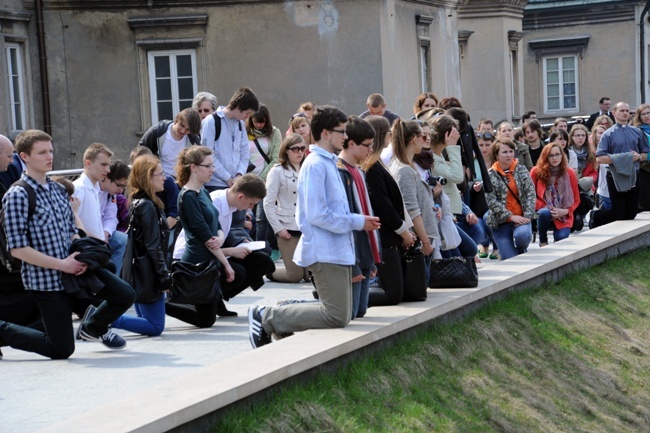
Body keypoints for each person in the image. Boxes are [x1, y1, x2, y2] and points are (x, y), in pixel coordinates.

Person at [247, 105, 380, 348]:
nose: (346, 137)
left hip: (337, 249)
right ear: (326, 133)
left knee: (344, 312)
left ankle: (278, 318)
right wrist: (358, 221)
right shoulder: (316, 164)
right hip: (324, 250)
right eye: (342, 132)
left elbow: (333, 211)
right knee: (337, 315)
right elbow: (318, 215)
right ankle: (267, 316)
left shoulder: (327, 162)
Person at [0, 130, 135, 359]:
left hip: (76, 268)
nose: (49, 156)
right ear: (24, 156)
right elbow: (17, 249)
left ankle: (92, 326)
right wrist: (63, 265)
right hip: (47, 280)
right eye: (42, 152)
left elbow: (71, 230)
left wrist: (80, 250)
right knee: (61, 348)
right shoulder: (17, 195)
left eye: (51, 151)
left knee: (124, 294)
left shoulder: (59, 189)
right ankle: (2, 329)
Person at [164, 146, 235, 328]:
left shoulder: (203, 192)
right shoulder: (188, 196)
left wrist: (219, 236)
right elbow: (204, 235)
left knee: (207, 317)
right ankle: (160, 306)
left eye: (212, 166)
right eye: (208, 166)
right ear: (193, 167)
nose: (213, 170)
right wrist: (227, 264)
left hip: (208, 262)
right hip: (196, 263)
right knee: (206, 320)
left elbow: (216, 225)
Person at [111, 155, 170, 337]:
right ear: (147, 177)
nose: (164, 178)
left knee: (148, 324)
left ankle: (106, 319)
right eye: (160, 174)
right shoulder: (147, 206)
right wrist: (164, 277)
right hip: (148, 274)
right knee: (155, 327)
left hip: (140, 272)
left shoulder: (138, 202)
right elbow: (153, 246)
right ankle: (108, 320)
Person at [364, 115, 416, 306]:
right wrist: (404, 232)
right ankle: (343, 298)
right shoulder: (372, 168)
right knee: (392, 294)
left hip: (389, 237)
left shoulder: (378, 164)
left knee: (397, 291)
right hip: (384, 237)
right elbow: (384, 206)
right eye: (388, 133)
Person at [210, 175, 275, 311]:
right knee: (238, 272)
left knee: (263, 261)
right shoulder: (214, 204)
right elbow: (203, 245)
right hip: (203, 259)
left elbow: (231, 230)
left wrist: (242, 242)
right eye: (251, 204)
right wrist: (232, 252)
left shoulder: (233, 204)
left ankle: (218, 296)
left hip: (219, 253)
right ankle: (207, 298)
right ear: (240, 197)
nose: (250, 208)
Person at [337, 116, 380, 319]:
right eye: (367, 146)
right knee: (348, 312)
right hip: (351, 256)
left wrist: (370, 259)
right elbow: (347, 220)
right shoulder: (340, 173)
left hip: (363, 253)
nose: (370, 150)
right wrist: (353, 264)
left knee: (360, 311)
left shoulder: (359, 172)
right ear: (351, 143)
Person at [389, 119, 442, 266]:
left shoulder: (403, 165)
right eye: (424, 137)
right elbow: (412, 210)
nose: (427, 140)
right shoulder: (404, 170)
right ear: (414, 139)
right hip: (416, 241)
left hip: (416, 237)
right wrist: (426, 242)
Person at [590, 102, 649, 228]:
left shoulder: (637, 132)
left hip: (634, 174)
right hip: (615, 176)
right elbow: (600, 158)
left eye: (627, 111)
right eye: (622, 110)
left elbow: (645, 153)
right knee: (619, 213)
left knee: (631, 214)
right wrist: (623, 158)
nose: (625, 113)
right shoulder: (608, 134)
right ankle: (596, 216)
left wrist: (638, 157)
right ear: (614, 113)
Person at [429, 115, 480, 258]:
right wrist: (452, 147)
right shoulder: (433, 160)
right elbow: (458, 177)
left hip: (451, 215)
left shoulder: (438, 157)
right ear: (447, 134)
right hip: (444, 216)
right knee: (468, 250)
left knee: (472, 243)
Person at [73, 143, 126, 273]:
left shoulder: (96, 188)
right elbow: (73, 228)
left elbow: (111, 218)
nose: (108, 170)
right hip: (87, 252)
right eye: (104, 165)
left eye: (108, 165)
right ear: (88, 163)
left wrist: (103, 237)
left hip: (95, 249)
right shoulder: (79, 189)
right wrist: (99, 240)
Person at [264, 134, 309, 283]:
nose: (299, 152)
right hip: (287, 229)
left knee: (310, 276)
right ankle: (268, 272)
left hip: (307, 230)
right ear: (286, 150)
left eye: (302, 148)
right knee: (294, 276)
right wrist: (278, 229)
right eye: (295, 148)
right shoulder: (277, 171)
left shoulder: (308, 169)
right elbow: (268, 203)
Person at [485, 137, 536, 260]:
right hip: (501, 222)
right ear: (497, 155)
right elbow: (491, 201)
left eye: (511, 151)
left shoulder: (521, 169)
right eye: (504, 152)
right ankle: (506, 251)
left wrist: (527, 216)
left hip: (522, 217)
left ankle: (521, 249)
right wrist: (510, 216)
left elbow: (530, 193)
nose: (509, 155)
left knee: (522, 236)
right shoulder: (490, 174)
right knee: (510, 259)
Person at [201, 86, 260, 191]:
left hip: (236, 184)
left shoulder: (240, 124)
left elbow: (245, 153)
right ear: (239, 106)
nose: (247, 117)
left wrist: (239, 174)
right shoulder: (211, 121)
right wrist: (227, 178)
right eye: (247, 113)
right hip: (215, 184)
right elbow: (208, 155)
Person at [246, 104, 282, 259]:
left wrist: (260, 178)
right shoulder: (245, 132)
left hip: (265, 180)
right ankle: (267, 246)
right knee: (250, 217)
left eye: (262, 122)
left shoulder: (274, 133)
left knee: (262, 217)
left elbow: (275, 158)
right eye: (256, 121)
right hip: (247, 181)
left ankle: (260, 252)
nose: (259, 125)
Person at [530, 143, 580, 246]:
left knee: (561, 238)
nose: (554, 158)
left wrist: (566, 211)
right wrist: (548, 207)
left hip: (563, 214)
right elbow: (530, 197)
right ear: (545, 157)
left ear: (562, 155)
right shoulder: (536, 171)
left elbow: (576, 200)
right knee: (544, 213)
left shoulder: (569, 173)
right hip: (544, 209)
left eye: (557, 154)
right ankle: (543, 241)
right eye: (551, 155)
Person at [138, 108, 202, 177]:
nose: (183, 131)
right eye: (182, 125)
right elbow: (141, 150)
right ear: (176, 120)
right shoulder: (158, 131)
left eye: (188, 129)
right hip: (160, 177)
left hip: (181, 179)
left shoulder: (193, 140)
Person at [130, 146, 179, 230]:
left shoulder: (167, 181)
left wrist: (159, 233)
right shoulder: (130, 182)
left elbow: (174, 215)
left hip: (166, 227)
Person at [99, 160, 130, 276]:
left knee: (123, 240)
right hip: (89, 234)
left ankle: (113, 277)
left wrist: (105, 234)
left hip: (102, 234)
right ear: (107, 178)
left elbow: (111, 217)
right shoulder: (90, 190)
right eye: (119, 185)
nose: (121, 190)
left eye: (124, 186)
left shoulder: (112, 195)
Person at [569, 124, 598, 230]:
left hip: (585, 184)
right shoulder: (567, 152)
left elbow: (594, 171)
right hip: (571, 184)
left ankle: (581, 215)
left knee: (586, 200)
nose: (580, 138)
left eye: (582, 135)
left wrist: (590, 179)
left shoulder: (591, 153)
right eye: (577, 135)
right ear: (572, 137)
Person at [632, 103, 650, 211]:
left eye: (648, 113)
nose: (647, 116)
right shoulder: (637, 131)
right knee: (646, 201)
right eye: (644, 114)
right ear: (639, 116)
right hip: (644, 168)